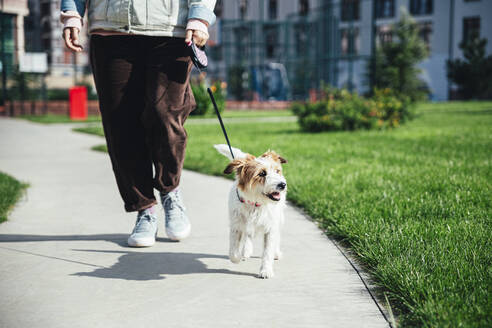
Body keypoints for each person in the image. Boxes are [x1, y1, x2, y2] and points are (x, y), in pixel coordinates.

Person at [60, 0, 217, 247]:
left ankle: (170, 190)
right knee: (120, 123)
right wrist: (72, 14)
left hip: (170, 30)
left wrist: (200, 17)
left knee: (164, 113)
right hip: (111, 30)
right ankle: (144, 208)